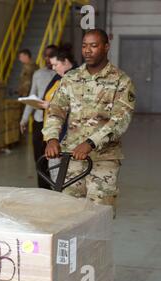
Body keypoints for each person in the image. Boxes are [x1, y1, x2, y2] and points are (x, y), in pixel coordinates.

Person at [42, 28, 136, 218]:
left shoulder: (121, 81)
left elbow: (120, 120)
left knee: (98, 217)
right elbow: (56, 109)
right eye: (85, 46)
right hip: (72, 158)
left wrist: (90, 142)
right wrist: (51, 138)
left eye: (94, 45)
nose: (88, 50)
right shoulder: (71, 77)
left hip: (104, 160)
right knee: (67, 215)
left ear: (106, 47)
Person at [37, 46, 78, 182]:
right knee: (55, 174)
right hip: (54, 132)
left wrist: (52, 106)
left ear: (66, 62)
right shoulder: (58, 77)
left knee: (65, 178)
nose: (53, 68)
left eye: (56, 64)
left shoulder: (76, 80)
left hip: (68, 135)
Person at [19, 44, 57, 189]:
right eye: (45, 56)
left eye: (51, 55)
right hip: (39, 121)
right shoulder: (38, 74)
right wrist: (24, 119)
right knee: (39, 159)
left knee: (53, 158)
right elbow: (32, 97)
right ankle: (43, 189)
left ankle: (55, 188)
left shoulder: (61, 74)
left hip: (54, 122)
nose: (48, 58)